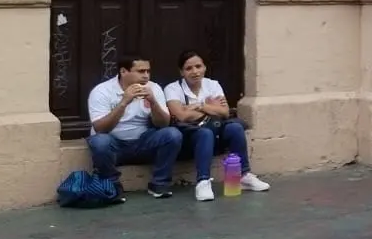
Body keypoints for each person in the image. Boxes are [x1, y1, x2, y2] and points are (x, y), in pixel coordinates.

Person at [164, 50, 270, 201]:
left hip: (216, 132)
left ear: (205, 67)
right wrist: (211, 109)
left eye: (198, 66)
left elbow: (225, 113)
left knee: (234, 127)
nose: (195, 72)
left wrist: (199, 106)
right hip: (190, 139)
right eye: (189, 68)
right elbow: (182, 116)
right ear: (181, 72)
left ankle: (244, 176)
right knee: (204, 133)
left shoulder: (212, 85)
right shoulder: (172, 89)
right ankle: (203, 181)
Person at [86, 54, 182, 198]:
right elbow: (100, 129)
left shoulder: (153, 88)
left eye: (148, 71)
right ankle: (111, 186)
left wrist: (153, 102)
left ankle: (160, 184)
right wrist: (124, 102)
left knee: (172, 134)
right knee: (99, 141)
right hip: (114, 145)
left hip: (142, 142)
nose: (146, 76)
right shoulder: (102, 91)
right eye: (141, 71)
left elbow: (163, 124)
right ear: (123, 71)